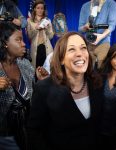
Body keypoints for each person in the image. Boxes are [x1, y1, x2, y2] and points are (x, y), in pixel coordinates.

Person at [26, 31, 103, 150]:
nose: (80, 54)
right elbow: (34, 132)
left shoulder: (96, 83)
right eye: (72, 49)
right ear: (61, 59)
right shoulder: (43, 89)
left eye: (83, 48)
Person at [0, 21, 48, 150]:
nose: (24, 44)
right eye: (18, 40)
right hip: (5, 135)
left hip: (29, 129)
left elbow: (35, 98)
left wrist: (40, 81)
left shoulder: (26, 64)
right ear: (5, 43)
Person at [78, 0, 116, 68]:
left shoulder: (110, 3)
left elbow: (112, 25)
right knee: (87, 70)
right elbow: (80, 29)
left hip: (103, 43)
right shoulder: (85, 6)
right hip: (88, 43)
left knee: (102, 70)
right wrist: (85, 27)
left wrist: (101, 36)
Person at [27, 0, 54, 69]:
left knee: (47, 69)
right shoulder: (29, 21)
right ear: (34, 9)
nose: (40, 10)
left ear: (44, 10)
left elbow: (51, 37)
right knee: (36, 69)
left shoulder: (48, 20)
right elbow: (29, 36)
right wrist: (36, 29)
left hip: (46, 48)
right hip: (36, 48)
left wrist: (47, 29)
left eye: (42, 8)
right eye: (38, 8)